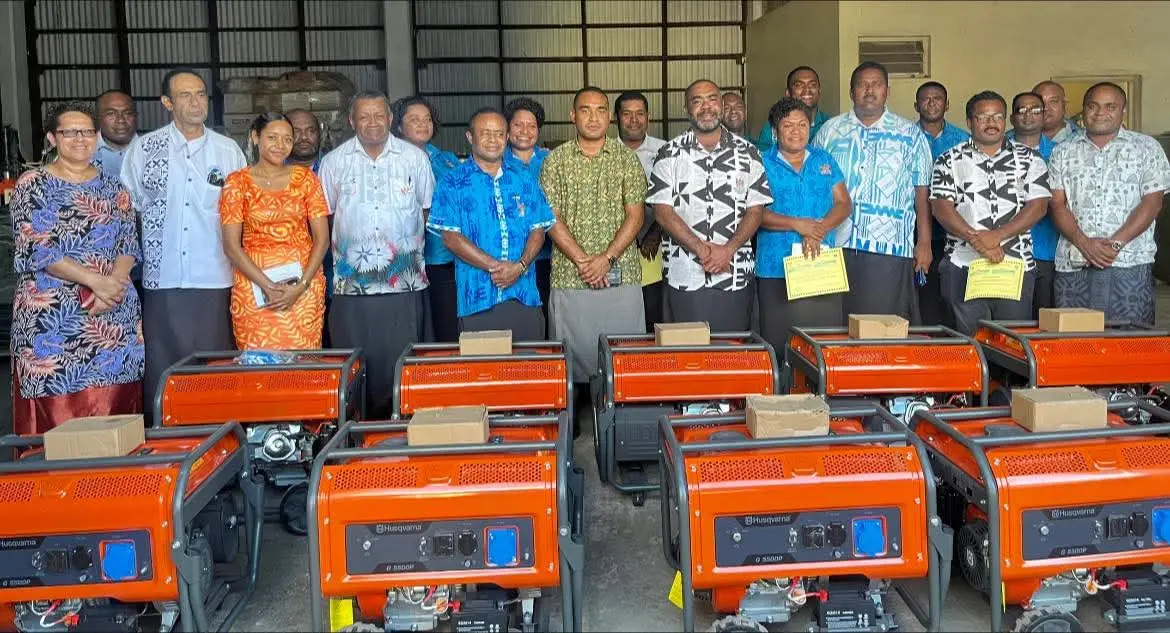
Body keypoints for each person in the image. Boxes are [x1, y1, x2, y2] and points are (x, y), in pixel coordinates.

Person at [10, 102, 144, 434]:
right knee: (58, 415)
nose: (80, 139)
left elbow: (128, 244)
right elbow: (38, 248)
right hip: (54, 320)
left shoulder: (115, 188)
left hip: (111, 315)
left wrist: (112, 284)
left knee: (113, 409)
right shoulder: (32, 185)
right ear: (52, 139)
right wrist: (95, 282)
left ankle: (116, 483)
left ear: (97, 136)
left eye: (86, 131)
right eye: (69, 132)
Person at [121, 68, 245, 420]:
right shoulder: (145, 149)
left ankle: (218, 441)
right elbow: (128, 212)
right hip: (163, 279)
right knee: (164, 367)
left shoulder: (228, 151)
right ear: (167, 103)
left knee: (214, 367)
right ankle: (166, 441)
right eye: (186, 95)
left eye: (201, 94)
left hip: (215, 277)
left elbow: (241, 213)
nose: (196, 102)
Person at [318, 91, 434, 417]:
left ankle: (403, 419)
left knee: (402, 356)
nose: (372, 123)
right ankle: (358, 423)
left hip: (404, 279)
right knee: (358, 358)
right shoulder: (334, 162)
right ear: (352, 121)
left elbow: (426, 210)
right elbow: (326, 217)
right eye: (364, 117)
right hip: (353, 283)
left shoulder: (414, 159)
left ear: (390, 119)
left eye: (379, 115)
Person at [541, 87, 646, 395]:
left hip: (621, 273)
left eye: (601, 110)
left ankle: (622, 421)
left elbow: (636, 216)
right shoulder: (555, 161)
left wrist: (607, 259)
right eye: (585, 110)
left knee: (623, 356)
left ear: (610, 118)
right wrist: (585, 262)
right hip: (571, 276)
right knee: (571, 358)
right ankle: (570, 423)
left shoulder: (627, 160)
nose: (593, 117)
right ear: (572, 115)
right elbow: (550, 218)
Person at [646, 79, 771, 331]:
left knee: (733, 351)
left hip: (734, 271)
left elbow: (756, 209)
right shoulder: (669, 153)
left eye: (712, 99)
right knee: (685, 354)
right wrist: (702, 250)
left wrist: (728, 250)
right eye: (697, 100)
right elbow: (662, 211)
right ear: (686, 108)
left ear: (722, 105)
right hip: (684, 273)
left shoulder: (748, 153)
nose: (706, 107)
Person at [813, 61, 932, 322]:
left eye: (876, 84)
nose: (870, 90)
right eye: (862, 85)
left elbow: (921, 194)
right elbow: (814, 185)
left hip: (889, 246)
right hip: (834, 243)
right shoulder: (829, 132)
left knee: (883, 326)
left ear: (887, 91)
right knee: (834, 324)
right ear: (851, 91)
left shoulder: (911, 134)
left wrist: (923, 243)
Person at [929, 91, 1052, 335]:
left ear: (1005, 120)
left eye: (997, 116)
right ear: (969, 122)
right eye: (983, 117)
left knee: (1012, 343)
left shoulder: (1029, 159)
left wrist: (996, 237)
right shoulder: (949, 159)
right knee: (967, 341)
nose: (991, 122)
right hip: (964, 263)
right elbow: (941, 208)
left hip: (1014, 264)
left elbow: (1038, 206)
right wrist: (978, 240)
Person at [427, 108, 555, 339]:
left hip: (524, 295)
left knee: (529, 366)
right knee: (484, 371)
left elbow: (539, 229)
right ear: (470, 137)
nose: (493, 140)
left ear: (506, 138)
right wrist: (497, 268)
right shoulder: (452, 182)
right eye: (485, 133)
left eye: (498, 134)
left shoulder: (524, 179)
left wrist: (520, 267)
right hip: (477, 297)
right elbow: (451, 238)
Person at [1049, 82, 1170, 324]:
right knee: (1074, 344)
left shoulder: (1147, 148)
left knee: (1130, 343)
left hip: (1130, 261)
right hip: (1075, 263)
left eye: (1110, 106)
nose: (1100, 112)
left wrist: (1114, 245)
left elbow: (1153, 203)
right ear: (1083, 110)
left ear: (1122, 111)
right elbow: (1057, 205)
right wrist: (1085, 243)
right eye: (1093, 106)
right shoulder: (1063, 151)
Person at [218, 112, 330, 350]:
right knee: (259, 362)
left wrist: (300, 287)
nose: (281, 145)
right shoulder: (237, 182)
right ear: (256, 137)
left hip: (303, 286)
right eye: (272, 137)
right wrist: (268, 286)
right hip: (254, 287)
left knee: (303, 362)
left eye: (287, 139)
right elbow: (231, 246)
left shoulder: (306, 179)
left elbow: (322, 240)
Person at [756, 97, 852, 352]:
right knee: (779, 340)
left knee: (821, 342)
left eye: (802, 124)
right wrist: (797, 224)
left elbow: (844, 203)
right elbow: (754, 215)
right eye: (788, 125)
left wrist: (817, 230)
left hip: (820, 263)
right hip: (776, 268)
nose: (796, 131)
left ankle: (818, 392)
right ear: (775, 132)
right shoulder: (760, 163)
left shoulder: (825, 160)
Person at [391, 95, 463, 343]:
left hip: (446, 258)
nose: (423, 124)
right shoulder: (390, 162)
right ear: (399, 126)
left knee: (447, 326)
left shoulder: (448, 160)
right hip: (407, 260)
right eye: (414, 119)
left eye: (427, 119)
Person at [914, 80, 970, 326]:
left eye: (937, 98)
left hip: (956, 232)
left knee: (953, 295)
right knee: (921, 294)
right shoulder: (907, 137)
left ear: (947, 105)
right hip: (916, 231)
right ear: (916, 105)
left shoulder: (964, 140)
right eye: (925, 99)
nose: (931, 103)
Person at [616, 91, 668, 329]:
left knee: (652, 309)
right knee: (620, 311)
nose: (634, 120)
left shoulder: (665, 151)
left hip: (653, 247)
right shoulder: (604, 153)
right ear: (616, 118)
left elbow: (674, 197)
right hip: (613, 245)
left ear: (649, 117)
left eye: (640, 114)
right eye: (627, 114)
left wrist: (656, 230)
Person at [1007, 92, 1058, 316]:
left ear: (1045, 115)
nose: (1028, 115)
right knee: (1009, 322)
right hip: (1007, 251)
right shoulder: (996, 151)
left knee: (1044, 319)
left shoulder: (1060, 152)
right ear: (1012, 117)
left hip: (1047, 249)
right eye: (1022, 110)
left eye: (1035, 110)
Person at [503, 97, 553, 321]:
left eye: (531, 126)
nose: (525, 131)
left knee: (546, 314)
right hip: (510, 258)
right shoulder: (496, 161)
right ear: (506, 129)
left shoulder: (551, 161)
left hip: (548, 255)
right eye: (518, 125)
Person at [285, 108, 332, 343]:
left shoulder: (334, 167)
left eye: (310, 131)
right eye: (296, 132)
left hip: (333, 274)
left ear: (319, 134)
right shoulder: (271, 174)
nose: (304, 138)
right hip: (287, 277)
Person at [758, 66, 831, 150]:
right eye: (799, 85)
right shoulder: (773, 126)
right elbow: (763, 159)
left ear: (819, 91)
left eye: (812, 85)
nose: (807, 90)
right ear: (788, 93)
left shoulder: (830, 125)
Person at [94, 89, 138, 179]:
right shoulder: (80, 155)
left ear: (136, 117)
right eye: (111, 114)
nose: (121, 120)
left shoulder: (155, 153)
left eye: (128, 113)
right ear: (97, 118)